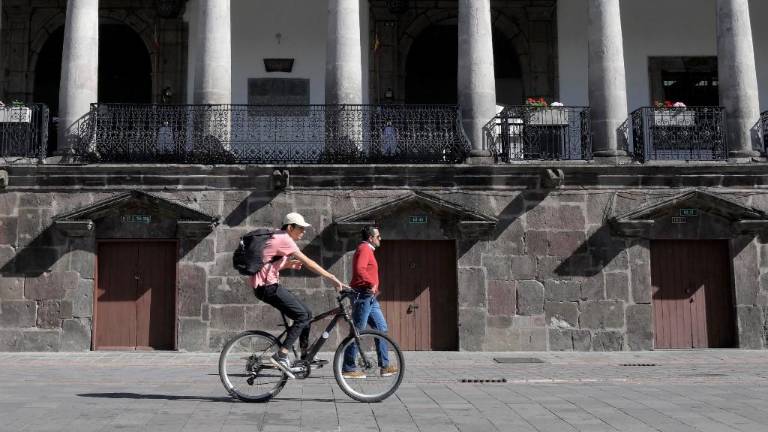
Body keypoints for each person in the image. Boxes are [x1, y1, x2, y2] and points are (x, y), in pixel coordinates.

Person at [252, 212, 346, 379]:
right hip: (267, 287)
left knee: (307, 314)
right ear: (290, 227)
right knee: (302, 316)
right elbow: (309, 262)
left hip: (267, 285)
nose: (303, 232)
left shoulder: (277, 236)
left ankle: (304, 354)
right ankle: (281, 355)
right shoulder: (284, 239)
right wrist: (331, 277)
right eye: (300, 229)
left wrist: (287, 264)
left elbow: (267, 262)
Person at [342, 226, 398, 379]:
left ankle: (385, 366)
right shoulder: (364, 249)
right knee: (357, 330)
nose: (380, 239)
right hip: (363, 294)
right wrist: (371, 283)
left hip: (370, 297)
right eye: (378, 236)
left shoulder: (367, 250)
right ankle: (348, 367)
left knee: (381, 328)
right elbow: (360, 269)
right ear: (370, 238)